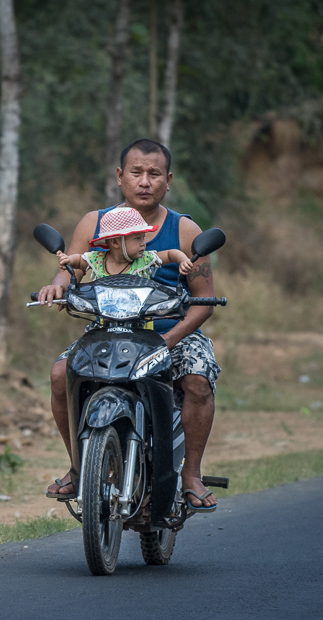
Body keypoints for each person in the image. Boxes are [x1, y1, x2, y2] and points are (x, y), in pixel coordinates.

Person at [37, 138, 221, 512]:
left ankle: (191, 476)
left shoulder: (184, 230)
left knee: (198, 381)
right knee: (60, 374)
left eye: (154, 174)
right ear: (120, 177)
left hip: (172, 334)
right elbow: (68, 274)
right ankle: (78, 467)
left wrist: (167, 341)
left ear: (168, 180)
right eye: (136, 172)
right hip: (108, 330)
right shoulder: (95, 223)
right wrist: (55, 288)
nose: (144, 181)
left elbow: (204, 303)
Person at [55, 206, 194, 280]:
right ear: (115, 242)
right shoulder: (99, 260)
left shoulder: (144, 260)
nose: (143, 244)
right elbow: (80, 260)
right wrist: (68, 260)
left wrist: (182, 259)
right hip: (107, 323)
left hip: (140, 324)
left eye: (143, 238)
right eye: (137, 238)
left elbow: (170, 254)